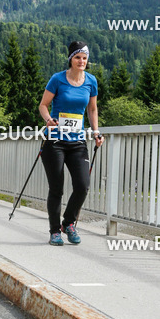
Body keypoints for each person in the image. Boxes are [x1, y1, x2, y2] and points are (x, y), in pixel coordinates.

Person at [37, 41, 104, 245]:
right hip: (55, 141)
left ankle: (68, 223)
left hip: (77, 142)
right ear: (71, 59)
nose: (81, 61)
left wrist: (96, 131)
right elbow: (43, 105)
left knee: (83, 186)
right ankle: (54, 231)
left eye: (84, 58)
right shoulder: (58, 79)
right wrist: (48, 120)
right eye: (77, 57)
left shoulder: (91, 81)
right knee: (56, 188)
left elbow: (92, 110)